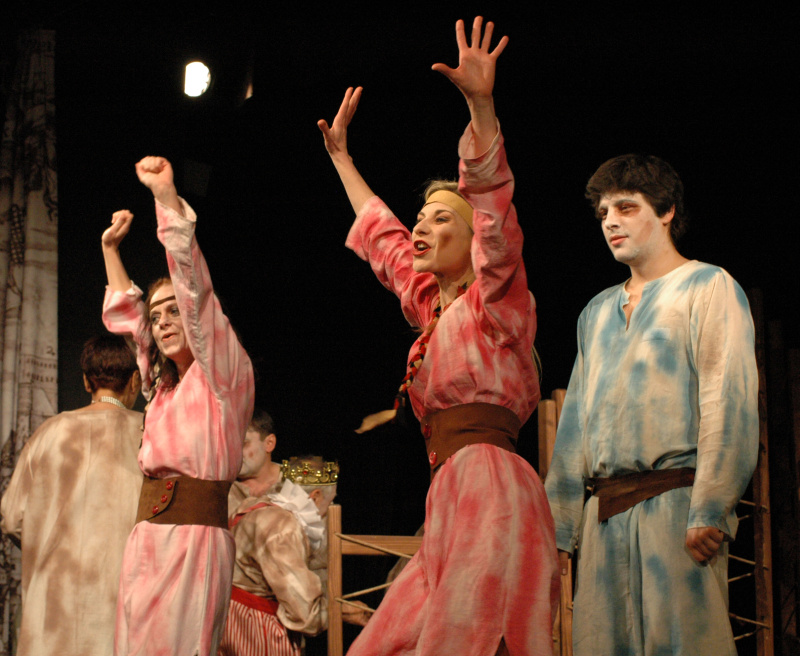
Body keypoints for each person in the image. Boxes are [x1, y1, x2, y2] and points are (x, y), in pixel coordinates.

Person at [317, 17, 558, 656]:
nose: (421, 228)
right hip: (449, 492)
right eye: (421, 217)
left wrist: (480, 107)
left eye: (440, 219)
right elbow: (384, 239)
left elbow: (495, 214)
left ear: (472, 240)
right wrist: (342, 159)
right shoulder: (434, 310)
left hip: (492, 486)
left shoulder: (497, 304)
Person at [544, 153, 759, 655]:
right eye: (603, 213)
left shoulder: (707, 287)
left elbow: (728, 400)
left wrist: (711, 507)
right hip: (604, 517)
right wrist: (558, 530)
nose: (611, 222)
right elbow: (574, 426)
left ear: (666, 211)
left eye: (626, 207)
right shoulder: (597, 312)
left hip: (676, 509)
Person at [100, 158, 255, 655]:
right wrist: (110, 250)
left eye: (173, 312)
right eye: (158, 315)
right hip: (147, 540)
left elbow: (195, 290)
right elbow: (132, 320)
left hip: (194, 542)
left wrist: (165, 198)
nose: (164, 321)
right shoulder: (162, 387)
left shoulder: (222, 376)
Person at [1, 334, 143, 656]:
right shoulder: (151, 435)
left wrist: (48, 542)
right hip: (124, 614)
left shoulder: (50, 432)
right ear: (135, 380)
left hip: (53, 616)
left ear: (86, 381)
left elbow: (11, 519)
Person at [220, 454, 366, 656]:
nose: (327, 511)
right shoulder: (282, 528)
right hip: (257, 632)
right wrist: (341, 611)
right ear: (315, 496)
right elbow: (304, 613)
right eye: (330, 502)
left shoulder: (256, 506)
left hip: (231, 623)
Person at [228, 409, 284, 519]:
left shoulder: (296, 483)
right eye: (229, 445)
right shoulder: (221, 489)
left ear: (269, 443)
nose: (233, 452)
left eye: (243, 443)